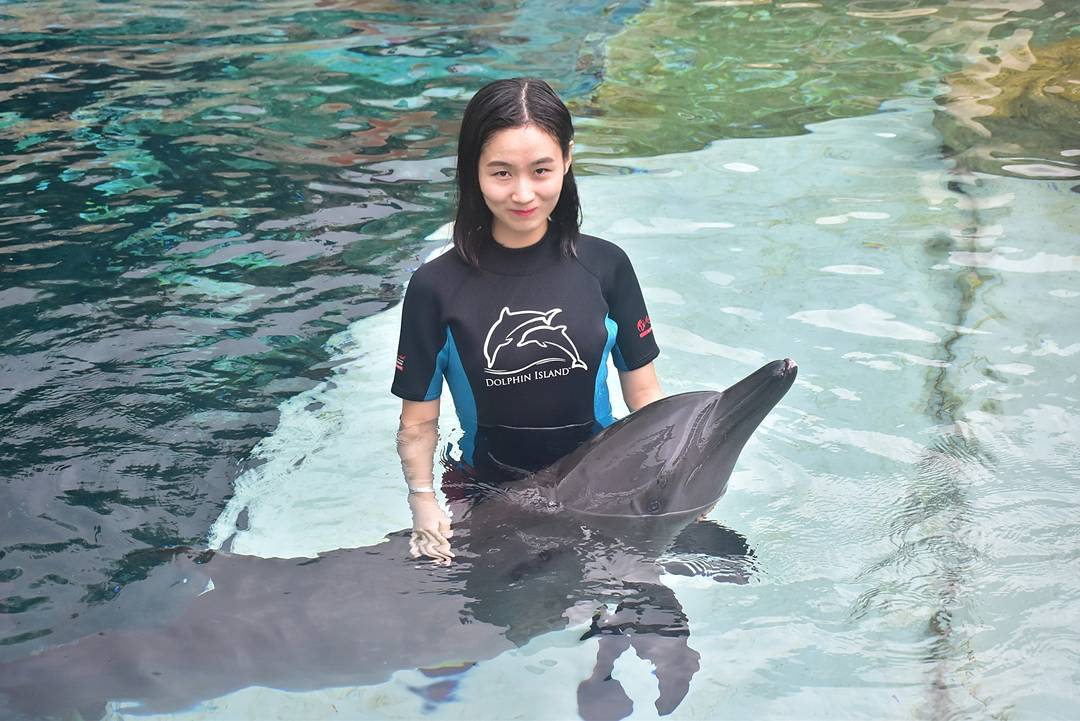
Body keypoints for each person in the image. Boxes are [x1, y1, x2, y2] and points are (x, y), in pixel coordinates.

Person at [391, 78, 662, 563]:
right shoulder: (436, 287)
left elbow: (644, 395)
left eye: (541, 171)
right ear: (473, 169)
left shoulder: (606, 267)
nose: (523, 194)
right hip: (486, 490)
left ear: (567, 159)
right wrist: (423, 501)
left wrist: (669, 476)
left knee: (643, 600)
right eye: (501, 173)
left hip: (604, 482)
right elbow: (418, 422)